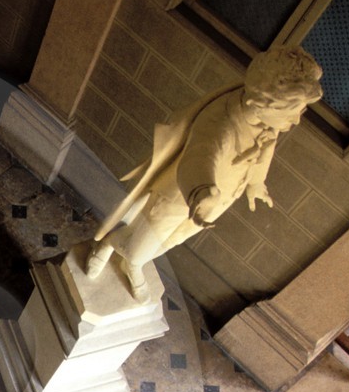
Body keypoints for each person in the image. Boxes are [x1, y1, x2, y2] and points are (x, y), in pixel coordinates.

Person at [86, 46, 324, 300]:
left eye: (301, 112)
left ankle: (133, 263)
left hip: (214, 202)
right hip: (180, 197)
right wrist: (201, 191)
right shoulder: (221, 124)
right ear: (261, 105)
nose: (297, 121)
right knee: (141, 245)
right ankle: (115, 246)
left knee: (172, 240)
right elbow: (199, 159)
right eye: (295, 112)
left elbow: (265, 153)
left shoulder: (268, 122)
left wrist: (256, 183)